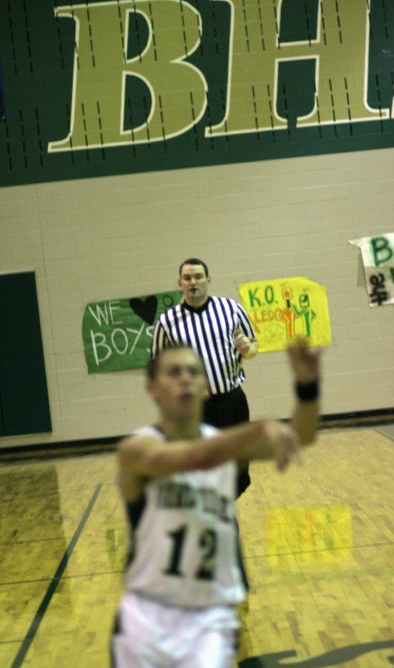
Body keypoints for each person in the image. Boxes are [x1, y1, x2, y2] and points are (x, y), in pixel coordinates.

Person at [112, 339, 320, 668]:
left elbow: (302, 435)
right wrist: (259, 429)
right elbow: (196, 456)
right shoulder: (137, 450)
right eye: (174, 372)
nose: (185, 379)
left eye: (193, 372)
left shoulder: (222, 445)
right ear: (152, 389)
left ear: (206, 387)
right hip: (147, 621)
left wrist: (308, 388)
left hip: (208, 621)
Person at [151, 258, 258, 498]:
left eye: (198, 277)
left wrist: (246, 350)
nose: (193, 282)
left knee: (238, 474)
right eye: (187, 278)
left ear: (209, 280)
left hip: (232, 402)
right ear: (180, 283)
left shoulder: (230, 308)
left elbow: (253, 347)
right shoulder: (167, 322)